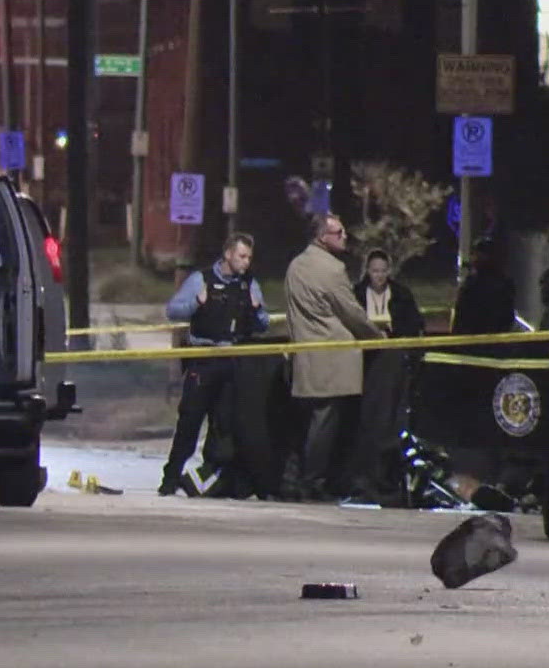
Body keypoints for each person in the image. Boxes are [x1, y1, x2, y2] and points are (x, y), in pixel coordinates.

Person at [160, 232, 269, 497]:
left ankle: (209, 479)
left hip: (232, 361)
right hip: (204, 360)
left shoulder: (249, 284)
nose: (246, 262)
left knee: (226, 426)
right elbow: (173, 310)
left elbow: (263, 323)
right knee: (189, 422)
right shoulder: (202, 279)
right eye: (242, 256)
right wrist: (197, 302)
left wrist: (256, 311)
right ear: (228, 254)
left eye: (249, 258)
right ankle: (170, 479)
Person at [284, 213, 382, 500]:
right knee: (325, 424)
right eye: (338, 233)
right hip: (333, 358)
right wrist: (377, 337)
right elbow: (351, 312)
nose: (344, 237)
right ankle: (314, 482)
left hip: (307, 356)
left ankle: (301, 478)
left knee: (311, 423)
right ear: (321, 237)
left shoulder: (295, 266)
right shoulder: (332, 269)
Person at [352, 249, 426, 497]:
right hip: (365, 363)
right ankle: (364, 475)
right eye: (374, 271)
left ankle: (387, 475)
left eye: (383, 271)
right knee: (367, 418)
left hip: (394, 363)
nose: (379, 276)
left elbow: (415, 326)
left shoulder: (402, 295)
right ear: (367, 271)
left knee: (389, 419)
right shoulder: (356, 294)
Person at [450, 236, 518, 335]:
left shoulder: (472, 284)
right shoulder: (505, 282)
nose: (474, 258)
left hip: (478, 341)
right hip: (491, 340)